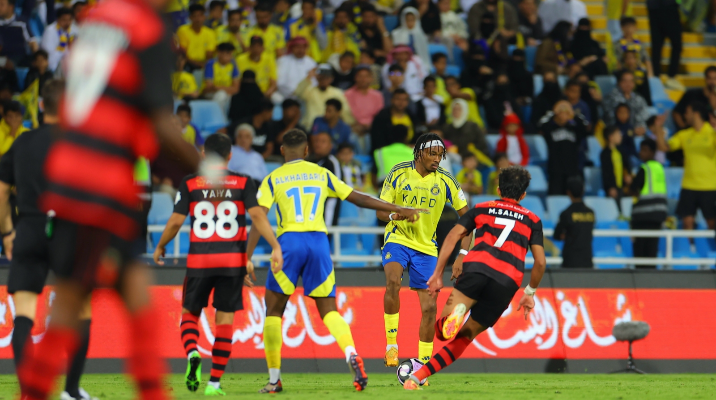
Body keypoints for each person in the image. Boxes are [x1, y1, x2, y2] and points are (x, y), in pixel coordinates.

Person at [18, 0, 202, 397]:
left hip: (68, 173)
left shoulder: (97, 19)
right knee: (126, 304)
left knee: (81, 297)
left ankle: (33, 391)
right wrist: (203, 169)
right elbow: (158, 123)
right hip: (105, 181)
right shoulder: (148, 28)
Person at [247, 129, 423, 393]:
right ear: (307, 151)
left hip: (289, 242)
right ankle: (351, 353)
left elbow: (258, 217)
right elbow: (359, 198)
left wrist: (247, 256)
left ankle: (274, 379)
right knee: (329, 309)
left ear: (282, 151)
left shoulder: (273, 178)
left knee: (273, 311)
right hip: (319, 242)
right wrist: (398, 208)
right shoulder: (321, 174)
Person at [153, 133, 280, 396]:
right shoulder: (243, 182)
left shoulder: (190, 183)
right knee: (224, 322)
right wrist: (275, 246)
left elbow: (176, 222)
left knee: (189, 313)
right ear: (230, 155)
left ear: (203, 154)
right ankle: (213, 385)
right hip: (232, 262)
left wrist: (160, 244)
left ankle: (192, 354)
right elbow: (257, 215)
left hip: (200, 261)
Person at [403, 166, 546, 389]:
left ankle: (455, 316)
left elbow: (454, 235)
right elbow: (540, 262)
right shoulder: (533, 220)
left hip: (477, 268)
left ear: (498, 189)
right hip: (506, 282)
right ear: (523, 195)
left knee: (441, 332)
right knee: (465, 337)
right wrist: (530, 293)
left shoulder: (481, 209)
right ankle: (417, 377)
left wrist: (438, 273)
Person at [0, 80, 97, 400]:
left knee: (25, 311)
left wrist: (8, 232)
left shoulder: (22, 143)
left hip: (28, 229)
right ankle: (71, 390)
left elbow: (1, 194)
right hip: (68, 230)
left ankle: (29, 392)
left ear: (41, 106)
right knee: (81, 309)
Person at [379, 132, 469, 370]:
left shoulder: (446, 181)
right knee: (392, 282)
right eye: (433, 154)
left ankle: (423, 366)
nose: (437, 159)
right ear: (419, 153)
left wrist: (463, 255)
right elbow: (379, 211)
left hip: (427, 247)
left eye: (440, 155)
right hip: (397, 237)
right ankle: (391, 345)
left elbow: (468, 219)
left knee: (430, 308)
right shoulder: (398, 172)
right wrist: (394, 215)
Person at [654, 102, 716, 231]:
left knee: (712, 224)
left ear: (696, 113)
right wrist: (658, 127)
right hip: (688, 186)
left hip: (710, 186)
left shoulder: (712, 133)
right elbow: (663, 147)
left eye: (687, 112)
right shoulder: (684, 134)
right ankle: (688, 250)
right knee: (687, 223)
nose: (685, 116)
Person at [630, 138, 667, 268]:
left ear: (652, 152)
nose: (641, 153)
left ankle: (640, 282)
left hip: (643, 216)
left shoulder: (644, 168)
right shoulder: (660, 168)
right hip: (658, 216)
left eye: (644, 150)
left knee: (641, 253)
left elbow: (633, 189)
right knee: (652, 252)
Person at [540, 100, 588, 195]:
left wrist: (573, 114)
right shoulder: (551, 129)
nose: (563, 115)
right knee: (555, 197)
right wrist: (553, 112)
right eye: (560, 112)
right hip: (555, 170)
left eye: (566, 113)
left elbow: (585, 126)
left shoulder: (574, 129)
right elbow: (541, 125)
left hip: (572, 169)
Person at [296, 64, 356, 128]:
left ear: (332, 79)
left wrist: (351, 124)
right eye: (321, 77)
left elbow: (345, 111)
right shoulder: (309, 91)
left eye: (327, 78)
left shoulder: (337, 93)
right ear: (317, 78)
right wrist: (308, 77)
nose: (324, 80)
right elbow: (298, 93)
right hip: (311, 127)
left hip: (331, 129)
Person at [553, 176, 594, 268]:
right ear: (583, 191)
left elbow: (557, 235)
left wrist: (565, 235)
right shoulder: (590, 213)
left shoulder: (566, 213)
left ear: (568, 192)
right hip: (587, 259)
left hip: (571, 260)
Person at [647, 0, 684, 91]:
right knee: (676, 45)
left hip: (654, 8)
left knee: (657, 46)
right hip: (668, 7)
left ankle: (656, 78)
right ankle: (670, 77)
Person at [443, 98, 490, 165]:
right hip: (452, 159)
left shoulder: (473, 126)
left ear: (464, 110)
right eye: (454, 109)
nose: (456, 111)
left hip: (472, 158)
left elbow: (482, 144)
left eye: (459, 109)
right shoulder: (447, 127)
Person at [603, 70, 649, 135]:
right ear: (619, 82)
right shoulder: (610, 98)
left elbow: (644, 116)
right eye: (625, 81)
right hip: (616, 133)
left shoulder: (639, 98)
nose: (628, 84)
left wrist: (641, 128)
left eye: (631, 81)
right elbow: (610, 119)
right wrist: (630, 129)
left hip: (636, 133)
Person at [370, 88, 417, 153]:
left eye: (404, 100)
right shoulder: (382, 117)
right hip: (388, 152)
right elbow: (378, 140)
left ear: (408, 102)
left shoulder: (412, 116)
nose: (401, 102)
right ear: (392, 100)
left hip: (409, 151)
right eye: (398, 99)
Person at [345, 65, 384, 136]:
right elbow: (347, 114)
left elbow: (379, 114)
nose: (363, 79)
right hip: (354, 127)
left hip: (373, 127)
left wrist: (370, 125)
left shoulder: (377, 95)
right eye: (360, 76)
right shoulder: (347, 94)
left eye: (366, 76)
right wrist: (357, 125)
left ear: (371, 78)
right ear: (355, 78)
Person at [673, 66, 716, 130]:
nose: (712, 82)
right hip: (689, 132)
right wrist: (683, 128)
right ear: (705, 79)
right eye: (709, 78)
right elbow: (676, 112)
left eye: (715, 78)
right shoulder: (691, 94)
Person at [236, 36, 278, 101]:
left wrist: (266, 94)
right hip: (246, 93)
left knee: (278, 99)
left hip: (265, 93)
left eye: (259, 46)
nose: (256, 49)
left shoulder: (269, 59)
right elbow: (238, 81)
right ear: (249, 48)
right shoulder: (240, 59)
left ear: (263, 48)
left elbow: (273, 83)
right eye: (254, 46)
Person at [178, 4, 218, 70]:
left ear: (204, 17)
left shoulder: (210, 33)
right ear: (190, 17)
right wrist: (199, 64)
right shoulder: (183, 30)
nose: (198, 19)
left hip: (204, 64)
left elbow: (209, 54)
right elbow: (182, 54)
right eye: (195, 16)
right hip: (188, 63)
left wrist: (205, 65)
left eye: (200, 15)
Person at [203, 42, 241, 113]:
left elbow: (236, 88)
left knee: (235, 98)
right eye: (228, 54)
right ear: (219, 53)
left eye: (231, 54)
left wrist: (219, 87)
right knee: (221, 95)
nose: (230, 57)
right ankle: (217, 118)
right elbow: (209, 87)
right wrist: (225, 89)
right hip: (210, 94)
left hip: (228, 93)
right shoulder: (210, 64)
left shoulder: (233, 64)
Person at [0, 0, 38, 66]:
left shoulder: (21, 22)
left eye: (2, 5)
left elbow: (32, 42)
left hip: (20, 58)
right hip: (2, 59)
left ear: (11, 7)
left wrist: (38, 58)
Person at [601, 125, 632, 203]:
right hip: (613, 188)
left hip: (622, 187)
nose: (620, 136)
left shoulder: (621, 151)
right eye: (618, 134)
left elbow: (627, 165)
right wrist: (610, 187)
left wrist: (628, 174)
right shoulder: (605, 154)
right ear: (611, 137)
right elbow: (606, 172)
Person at [40, 7, 76, 72]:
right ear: (58, 19)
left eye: (70, 20)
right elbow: (47, 53)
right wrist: (62, 49)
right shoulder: (50, 31)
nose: (67, 23)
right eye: (64, 20)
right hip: (53, 65)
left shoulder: (73, 30)